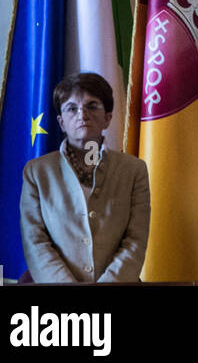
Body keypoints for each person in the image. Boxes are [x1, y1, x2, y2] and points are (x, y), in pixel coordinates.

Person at [19, 72, 150, 283]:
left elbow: (135, 239)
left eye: (92, 106)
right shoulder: (37, 172)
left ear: (107, 118)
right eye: (72, 108)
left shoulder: (134, 170)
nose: (82, 114)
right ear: (61, 122)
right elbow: (35, 241)